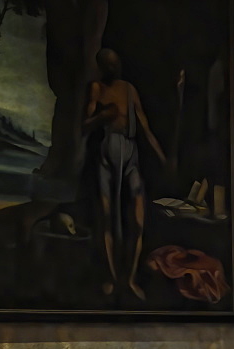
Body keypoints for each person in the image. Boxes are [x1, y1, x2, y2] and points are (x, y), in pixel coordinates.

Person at [84, 48, 167, 299]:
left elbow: (144, 126)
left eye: (115, 64)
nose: (112, 69)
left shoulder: (129, 89)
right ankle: (110, 277)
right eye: (107, 65)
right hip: (106, 153)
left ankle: (129, 278)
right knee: (107, 216)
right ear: (101, 67)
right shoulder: (97, 88)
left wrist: (163, 158)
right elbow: (83, 125)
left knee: (137, 218)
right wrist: (102, 116)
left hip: (130, 153)